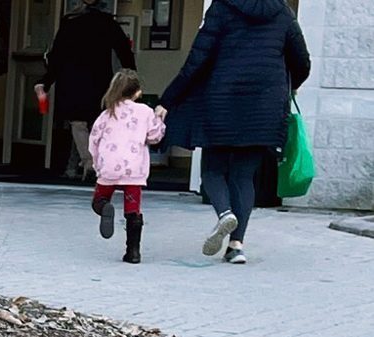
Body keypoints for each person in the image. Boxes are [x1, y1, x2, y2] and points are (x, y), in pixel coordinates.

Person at [159, 0, 311, 264]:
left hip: (222, 101)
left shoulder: (221, 8)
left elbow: (197, 59)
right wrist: (289, 86)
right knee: (244, 177)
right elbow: (302, 61)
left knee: (213, 170)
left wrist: (167, 100)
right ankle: (236, 246)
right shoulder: (282, 11)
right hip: (264, 107)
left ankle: (224, 214)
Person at [35, 0, 137, 181]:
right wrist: (131, 75)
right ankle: (92, 164)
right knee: (100, 123)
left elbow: (57, 56)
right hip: (99, 79)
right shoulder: (106, 22)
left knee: (78, 124)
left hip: (71, 80)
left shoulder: (69, 23)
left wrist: (46, 81)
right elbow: (124, 50)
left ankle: (88, 163)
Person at [89, 70, 167, 264]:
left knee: (98, 200)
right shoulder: (145, 112)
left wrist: (97, 163)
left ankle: (105, 207)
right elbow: (154, 136)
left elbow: (94, 140)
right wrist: (159, 119)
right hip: (134, 170)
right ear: (138, 92)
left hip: (109, 168)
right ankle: (133, 252)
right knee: (133, 210)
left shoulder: (107, 114)